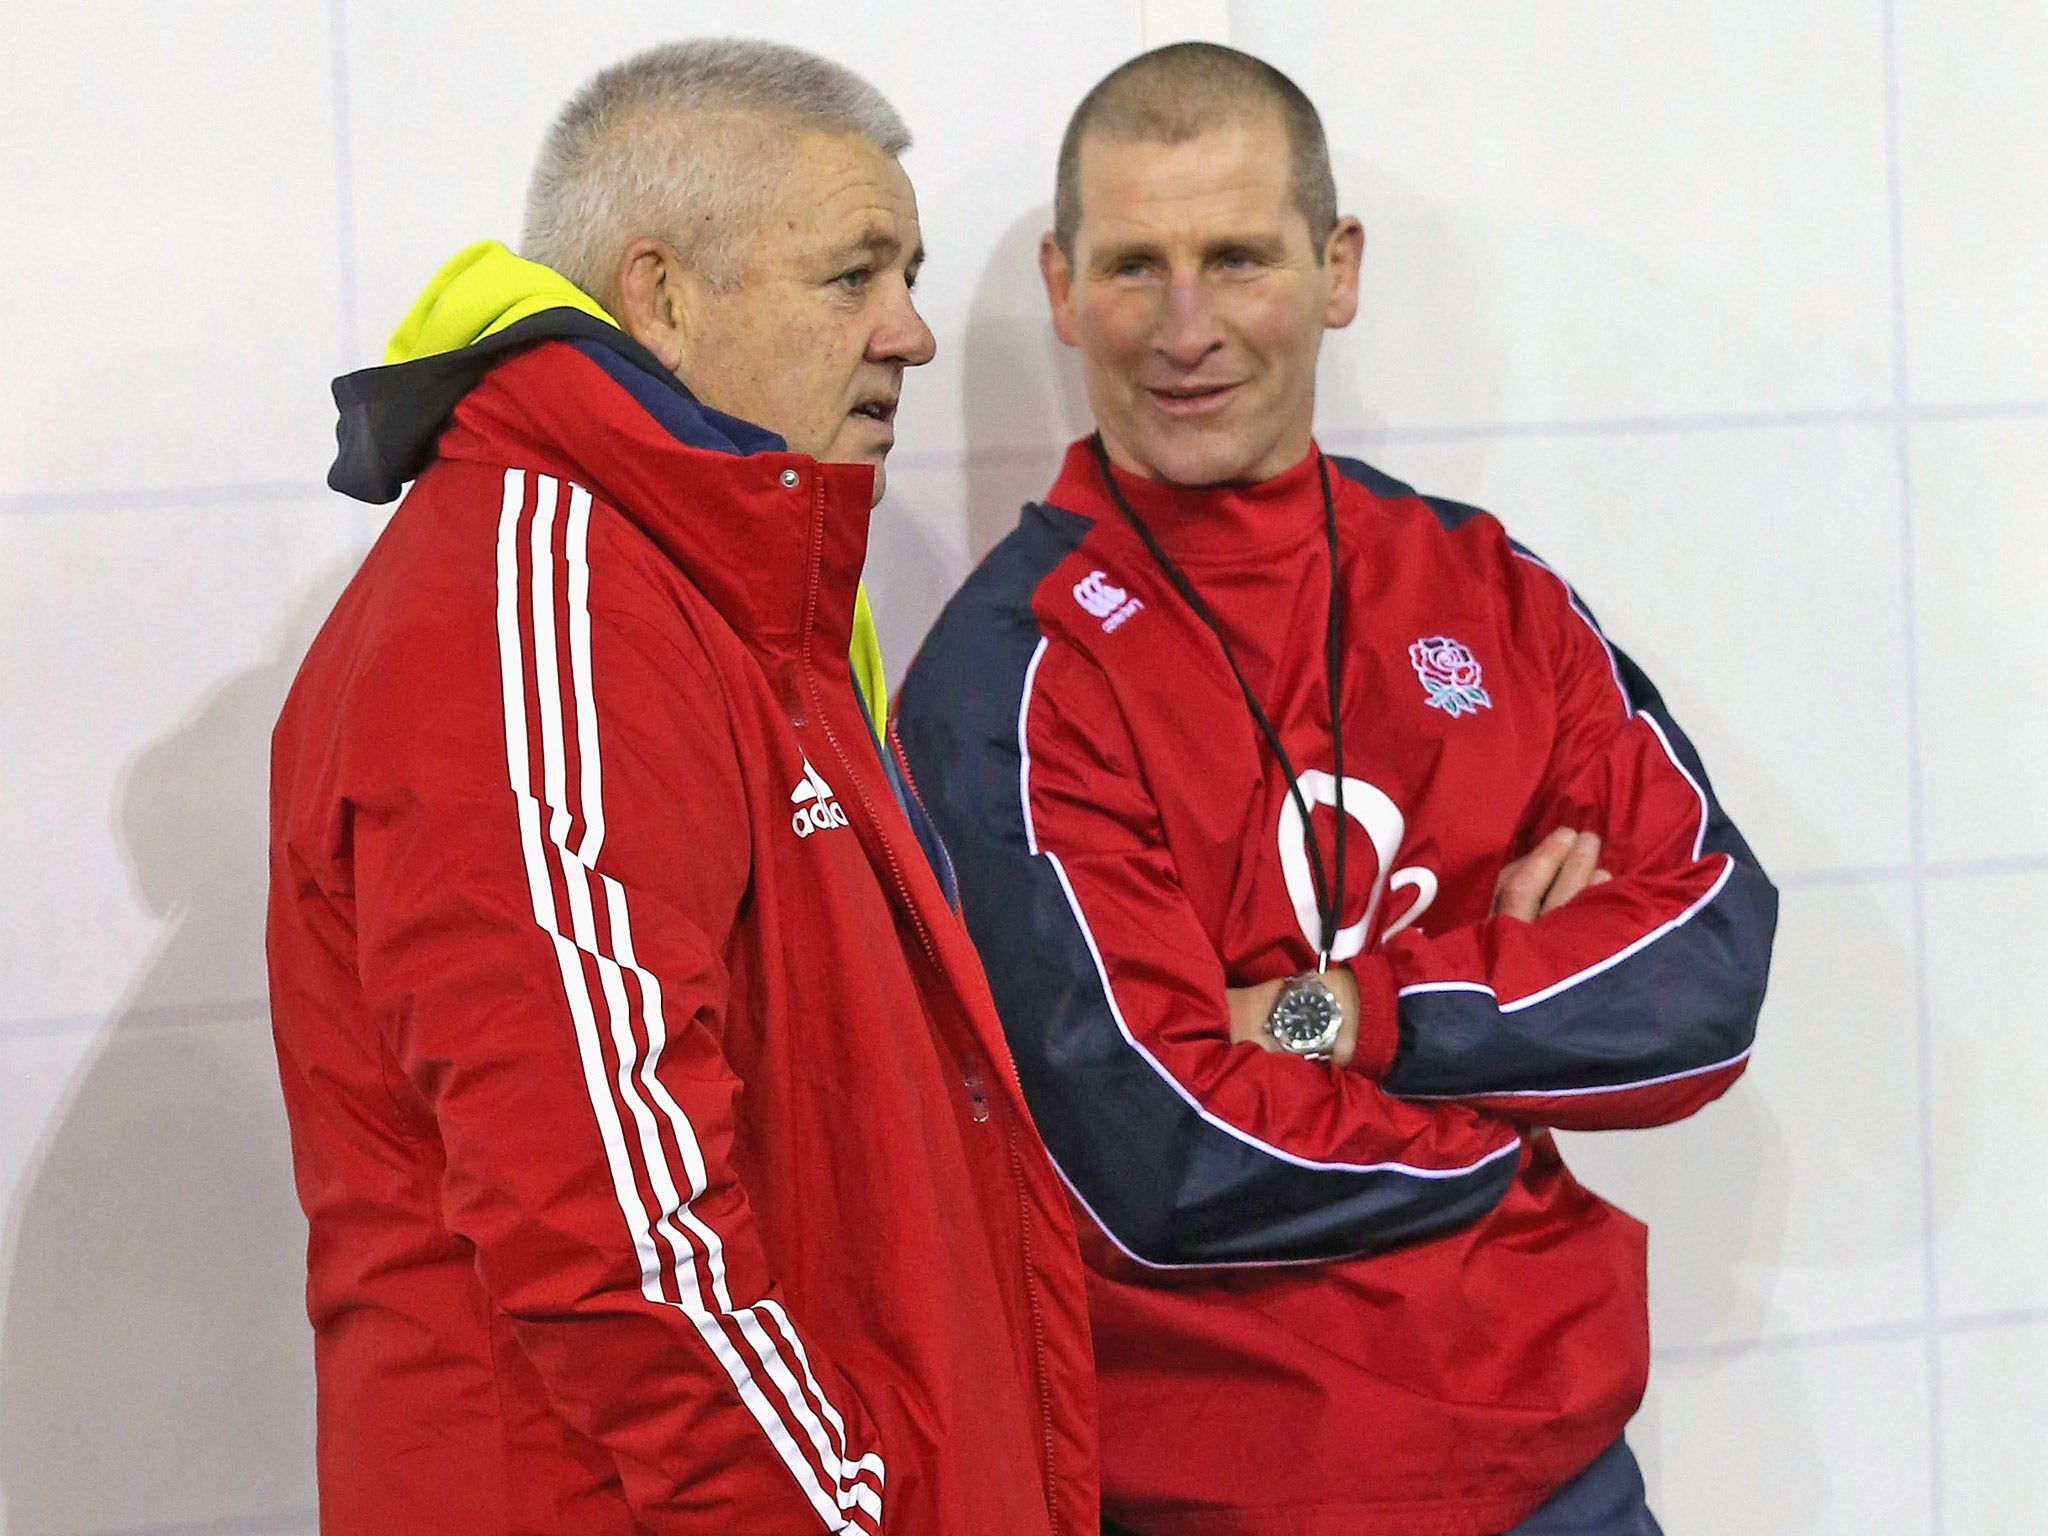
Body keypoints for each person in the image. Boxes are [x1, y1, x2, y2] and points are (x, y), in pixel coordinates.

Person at [894, 42, 1777, 1536]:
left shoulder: (1485, 587)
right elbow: (1150, 1143)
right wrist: (1517, 1092)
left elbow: (1704, 966)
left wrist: (1341, 1017)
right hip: (1233, 1501)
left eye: (1236, 257)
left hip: (1567, 1480)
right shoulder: (1010, 679)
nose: (1186, 329)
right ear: (1060, 288)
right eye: (1133, 268)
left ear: (1336, 266)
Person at [267, 39, 1097, 1536]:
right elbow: (613, 1231)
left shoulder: (722, 585)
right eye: (854, 275)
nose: (910, 332)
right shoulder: (541, 609)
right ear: (659, 295)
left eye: (906, 272)